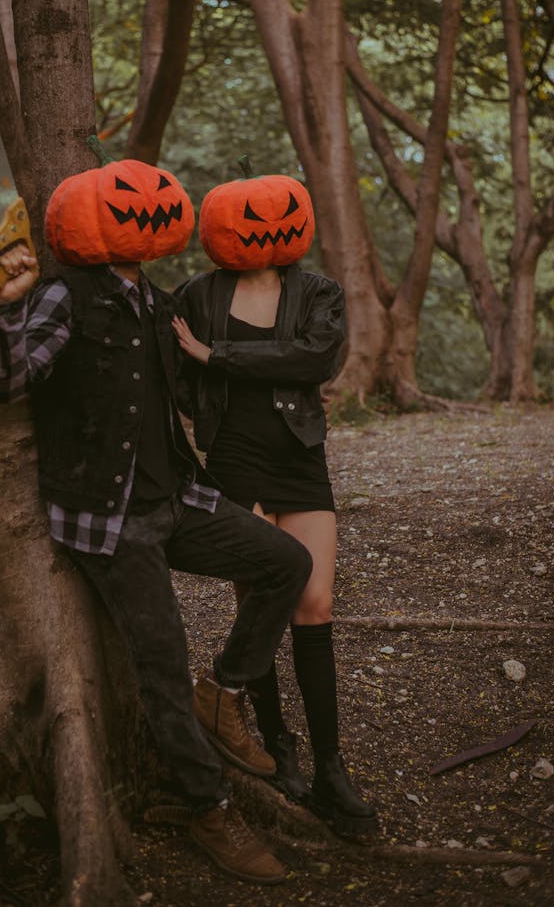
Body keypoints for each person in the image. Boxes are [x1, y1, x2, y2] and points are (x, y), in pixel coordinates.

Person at [0, 159, 313, 885]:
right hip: (110, 520)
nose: (152, 209)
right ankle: (208, 806)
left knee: (287, 563)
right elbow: (9, 382)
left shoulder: (161, 303)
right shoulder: (62, 296)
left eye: (159, 198)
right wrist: (10, 303)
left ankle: (223, 691)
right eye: (129, 201)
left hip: (178, 501)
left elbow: (185, 404)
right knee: (159, 663)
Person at [173, 172, 378, 840]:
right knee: (262, 596)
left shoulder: (317, 292)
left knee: (315, 604)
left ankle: (331, 768)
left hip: (299, 459)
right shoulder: (197, 295)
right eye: (250, 220)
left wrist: (219, 356)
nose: (268, 228)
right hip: (234, 459)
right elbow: (179, 374)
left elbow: (315, 359)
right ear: (220, 230)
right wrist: (205, 374)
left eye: (282, 215)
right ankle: (274, 747)